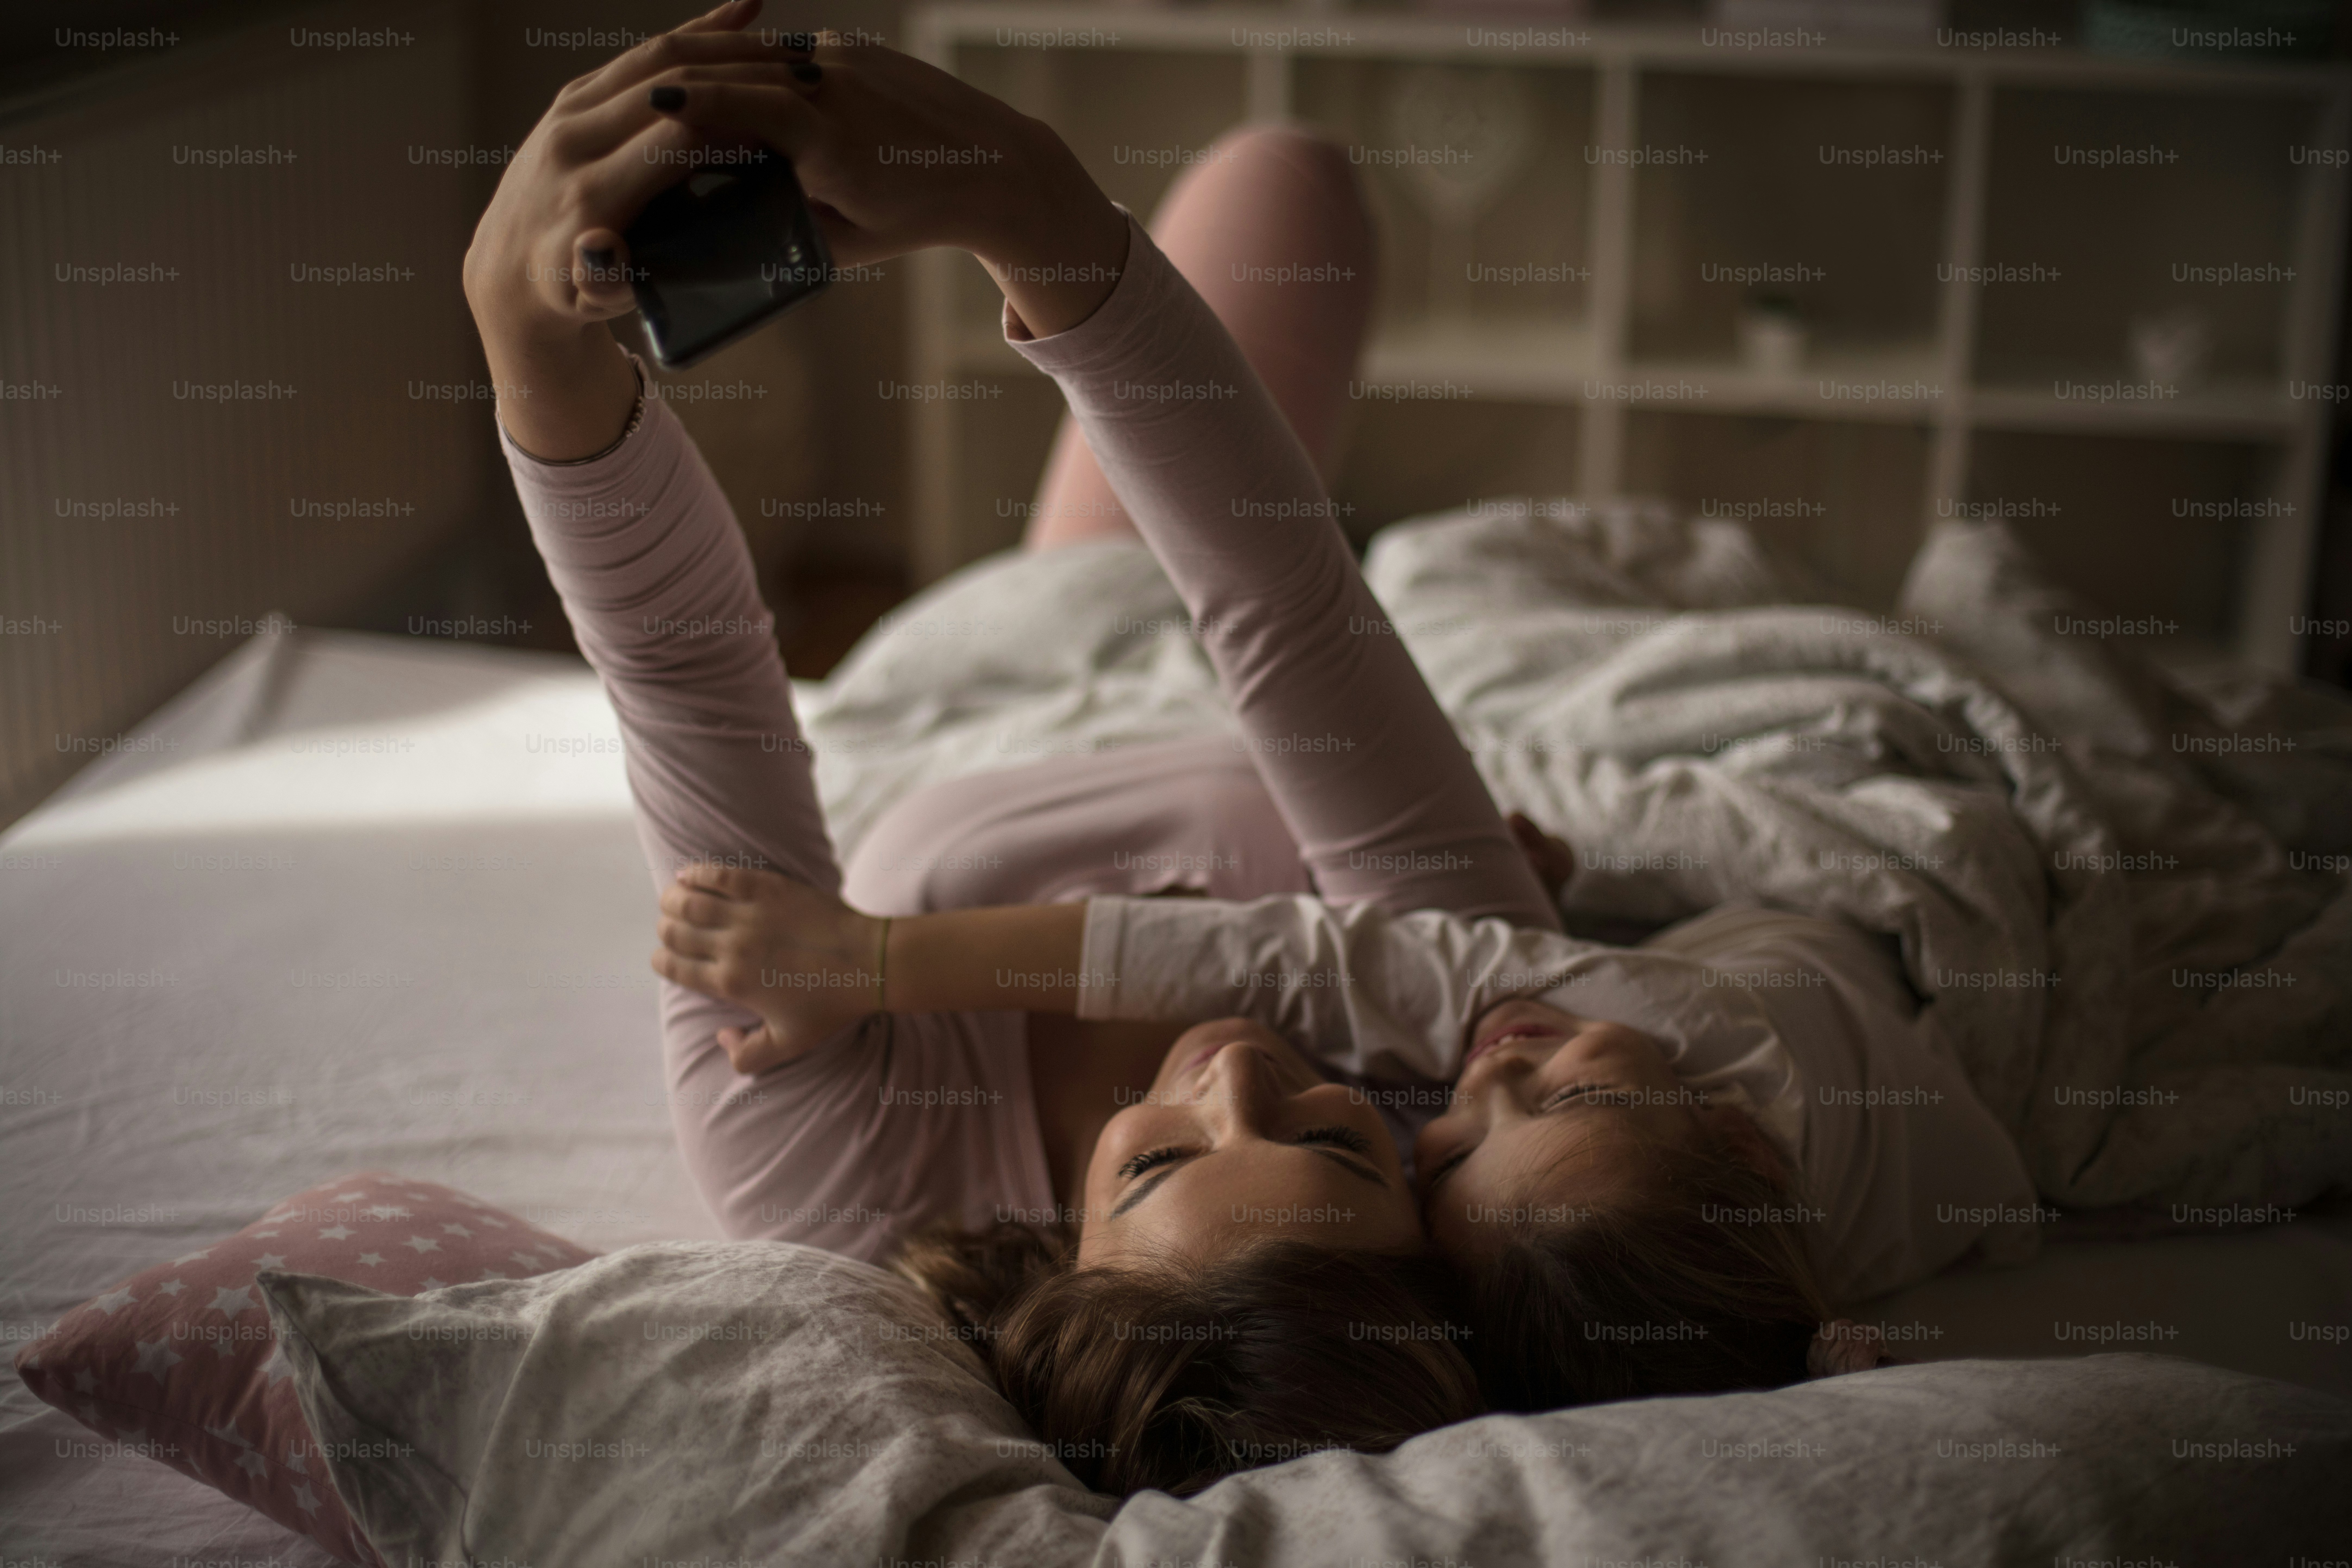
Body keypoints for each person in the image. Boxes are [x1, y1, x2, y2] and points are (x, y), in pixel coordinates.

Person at [464, 1, 1565, 1493]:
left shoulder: (838, 1176)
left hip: (1000, 658)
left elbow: (692, 681)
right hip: (1226, 654)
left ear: (1062, 1262)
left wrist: (524, 335)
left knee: (1272, 191)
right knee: (1292, 173)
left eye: (1160, 1158)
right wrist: (1019, 200)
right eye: (1336, 1145)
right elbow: (1285, 606)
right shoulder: (1463, 1045)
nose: (1236, 1074)